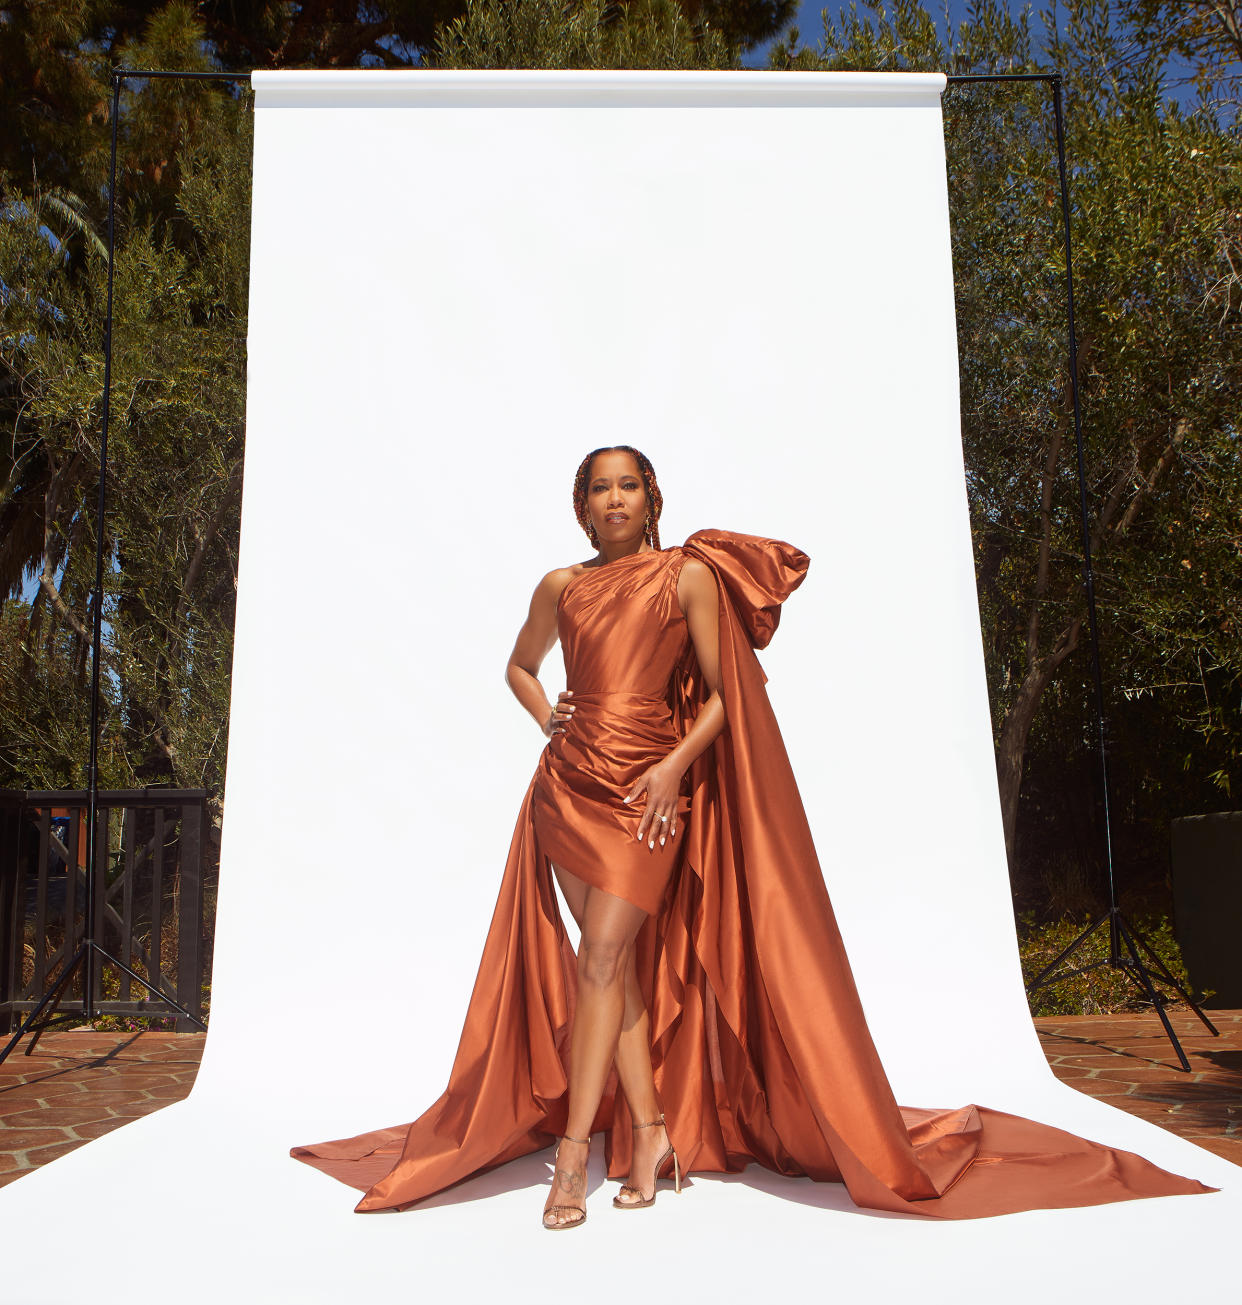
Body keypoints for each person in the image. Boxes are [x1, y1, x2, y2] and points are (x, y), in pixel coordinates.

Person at [291, 445, 1217, 1228]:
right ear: (580, 510)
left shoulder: (685, 574)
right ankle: (649, 1135)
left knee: (604, 962)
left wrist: (671, 768)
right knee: (608, 969)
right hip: (566, 790)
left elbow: (727, 697)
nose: (613, 499)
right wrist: (547, 719)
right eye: (597, 489)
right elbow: (517, 665)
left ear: (654, 498)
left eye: (628, 486)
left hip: (648, 789)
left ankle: (575, 1154)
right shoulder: (560, 584)